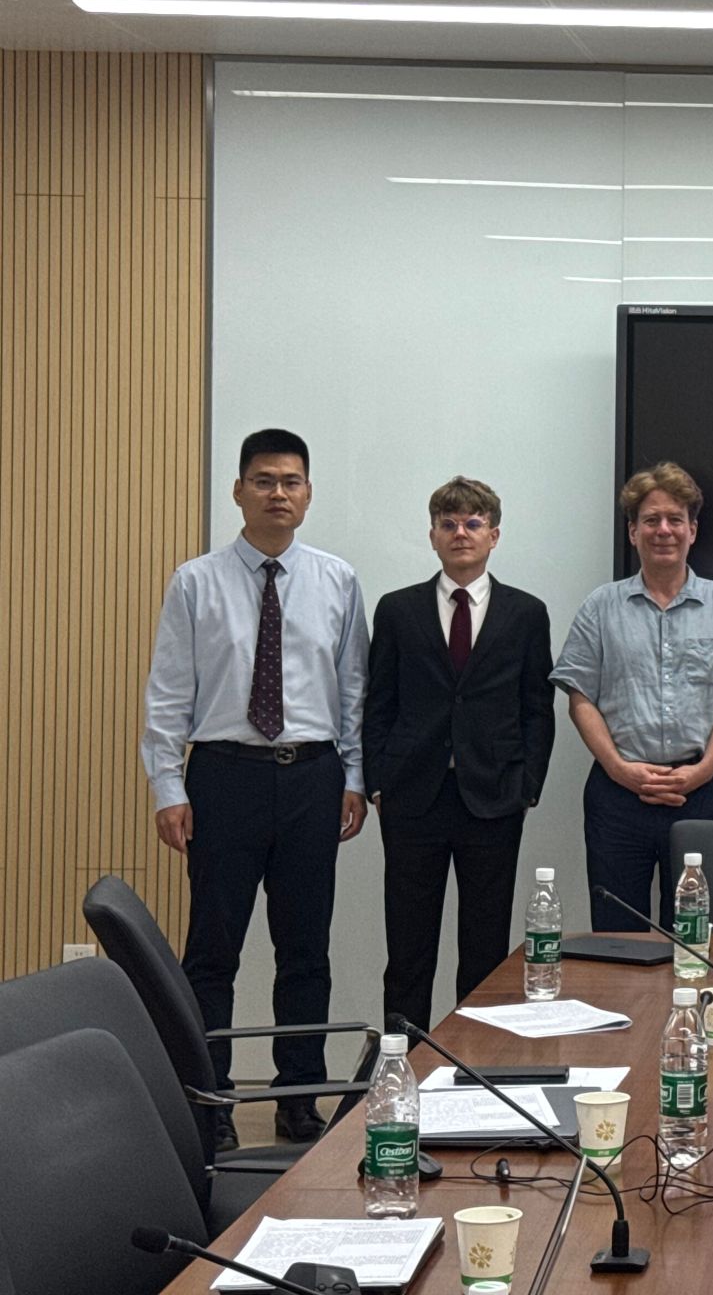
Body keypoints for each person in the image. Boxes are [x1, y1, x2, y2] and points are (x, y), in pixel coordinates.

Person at [140, 427, 367, 1151]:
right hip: (223, 778)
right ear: (238, 490)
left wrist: (354, 777)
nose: (278, 493)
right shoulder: (195, 581)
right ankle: (210, 1103)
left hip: (312, 777)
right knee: (213, 952)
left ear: (308, 493)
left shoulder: (337, 580)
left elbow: (353, 690)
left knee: (305, 951)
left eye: (291, 481)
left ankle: (298, 1099)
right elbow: (168, 692)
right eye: (264, 480)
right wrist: (167, 786)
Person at [365, 477, 556, 1033]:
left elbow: (536, 708)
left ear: (494, 535)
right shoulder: (397, 609)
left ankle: (476, 1066)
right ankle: (403, 1066)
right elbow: (378, 702)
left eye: (473, 523)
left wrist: (528, 787)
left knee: (485, 950)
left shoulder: (526, 612)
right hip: (412, 797)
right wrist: (378, 781)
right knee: (408, 950)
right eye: (448, 524)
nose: (460, 533)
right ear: (432, 536)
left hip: (493, 798)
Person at [552, 463, 713, 931]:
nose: (663, 530)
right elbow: (580, 698)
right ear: (633, 532)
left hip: (701, 794)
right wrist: (618, 768)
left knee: (694, 935)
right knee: (615, 932)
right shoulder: (600, 607)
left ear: (692, 530)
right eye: (651, 520)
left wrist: (703, 770)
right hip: (617, 796)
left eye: (675, 519)